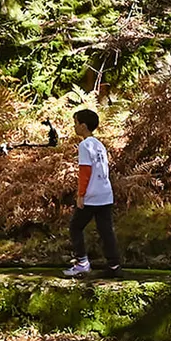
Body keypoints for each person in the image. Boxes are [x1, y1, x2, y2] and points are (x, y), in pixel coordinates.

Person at [66, 108, 121, 278]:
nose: (74, 126)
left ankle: (82, 263)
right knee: (106, 230)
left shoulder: (84, 145)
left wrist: (81, 195)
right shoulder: (99, 144)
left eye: (75, 123)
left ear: (83, 126)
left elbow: (85, 171)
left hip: (92, 195)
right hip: (105, 193)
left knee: (75, 227)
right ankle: (114, 265)